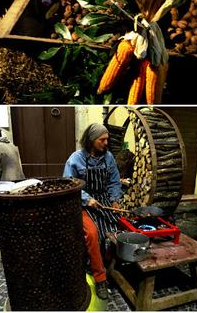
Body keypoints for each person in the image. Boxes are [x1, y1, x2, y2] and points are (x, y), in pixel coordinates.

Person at [63, 123, 122, 300]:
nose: (106, 143)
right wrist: (87, 199)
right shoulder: (75, 159)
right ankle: (100, 278)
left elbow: (114, 181)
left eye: (107, 139)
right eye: (102, 140)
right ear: (91, 140)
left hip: (104, 201)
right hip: (83, 203)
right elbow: (69, 184)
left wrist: (115, 199)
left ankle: (110, 265)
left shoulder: (108, 157)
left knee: (115, 229)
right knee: (93, 233)